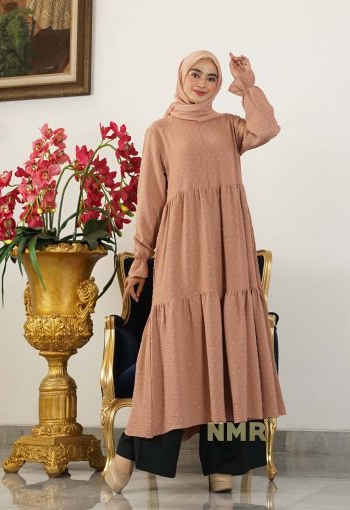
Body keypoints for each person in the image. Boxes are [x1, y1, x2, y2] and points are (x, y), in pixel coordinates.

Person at [101, 49, 286, 494]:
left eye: (212, 77)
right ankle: (128, 453)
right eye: (195, 75)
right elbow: (151, 200)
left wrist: (248, 84)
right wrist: (141, 259)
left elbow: (266, 128)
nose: (202, 83)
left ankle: (223, 464)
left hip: (228, 247)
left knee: (229, 348)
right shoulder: (161, 131)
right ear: (181, 77)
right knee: (175, 353)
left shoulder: (229, 126)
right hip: (183, 248)